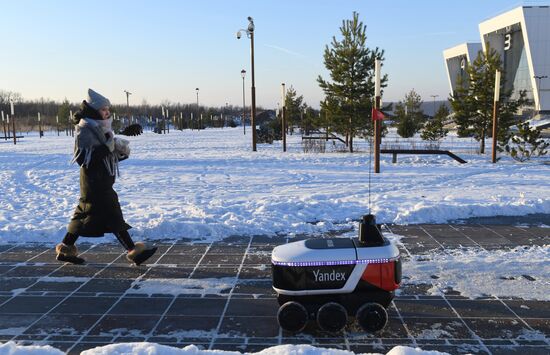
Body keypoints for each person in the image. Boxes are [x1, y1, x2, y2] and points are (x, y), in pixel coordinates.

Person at [56, 89, 157, 265]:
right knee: (112, 214)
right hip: (94, 181)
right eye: (103, 109)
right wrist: (108, 147)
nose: (107, 112)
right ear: (94, 110)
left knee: (84, 215)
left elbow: (105, 152)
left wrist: (119, 150)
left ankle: (65, 248)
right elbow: (83, 159)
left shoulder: (100, 126)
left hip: (100, 179)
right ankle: (133, 251)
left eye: (108, 109)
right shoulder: (85, 129)